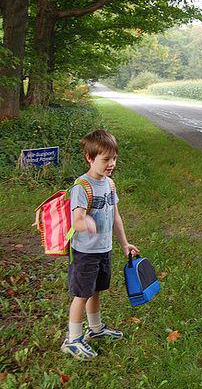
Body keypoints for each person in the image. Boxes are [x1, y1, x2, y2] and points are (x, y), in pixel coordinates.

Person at [61, 129, 139, 360]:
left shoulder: (110, 184)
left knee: (96, 290)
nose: (111, 163)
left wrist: (124, 244)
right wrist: (86, 222)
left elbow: (116, 217)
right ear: (89, 157)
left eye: (114, 158)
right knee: (82, 294)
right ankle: (72, 339)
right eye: (105, 159)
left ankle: (95, 329)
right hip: (85, 252)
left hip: (104, 249)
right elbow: (76, 219)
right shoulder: (81, 187)